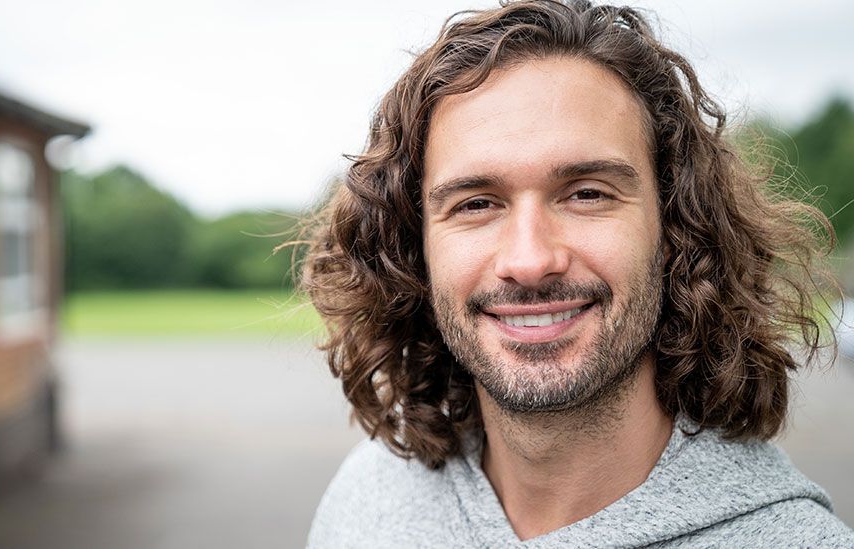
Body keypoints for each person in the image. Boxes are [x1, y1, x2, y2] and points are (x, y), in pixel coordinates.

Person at [299, 0, 854, 546]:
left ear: (675, 229)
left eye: (587, 194)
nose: (530, 260)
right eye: (476, 204)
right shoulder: (365, 501)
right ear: (415, 249)